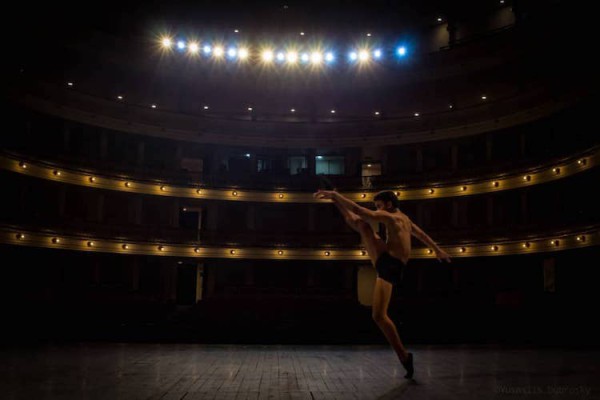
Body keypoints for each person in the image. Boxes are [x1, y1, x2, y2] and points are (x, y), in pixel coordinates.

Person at [313, 189, 451, 379]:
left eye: (378, 206)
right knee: (378, 315)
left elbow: (361, 211)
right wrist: (437, 250)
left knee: (362, 224)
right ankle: (404, 358)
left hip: (389, 266)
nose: (377, 210)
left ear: (388, 204)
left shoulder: (390, 217)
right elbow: (422, 235)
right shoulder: (405, 219)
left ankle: (335, 199)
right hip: (392, 263)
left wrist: (337, 196)